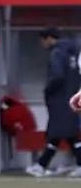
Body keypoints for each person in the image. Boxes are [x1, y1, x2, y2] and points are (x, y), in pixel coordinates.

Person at [26, 27, 81, 177]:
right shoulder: (74, 52)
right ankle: (42, 165)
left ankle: (41, 166)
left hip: (60, 99)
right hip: (73, 97)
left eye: (43, 41)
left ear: (49, 38)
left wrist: (48, 90)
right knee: (68, 134)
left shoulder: (57, 53)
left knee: (58, 132)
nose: (43, 44)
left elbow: (57, 76)